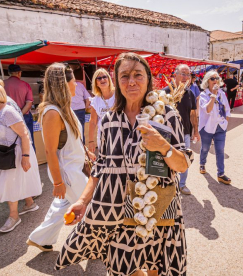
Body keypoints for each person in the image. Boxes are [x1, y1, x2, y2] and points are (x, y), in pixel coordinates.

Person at [55, 53, 194, 276]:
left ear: (148, 78)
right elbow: (100, 166)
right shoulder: (110, 119)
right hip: (117, 209)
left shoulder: (167, 115)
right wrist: (82, 201)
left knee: (155, 267)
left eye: (138, 75)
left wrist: (163, 146)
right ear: (117, 82)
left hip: (157, 204)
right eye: (124, 76)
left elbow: (182, 165)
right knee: (125, 268)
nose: (131, 81)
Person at [26, 63, 95, 252]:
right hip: (68, 174)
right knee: (90, 208)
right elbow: (50, 151)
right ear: (64, 84)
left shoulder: (64, 108)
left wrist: (86, 152)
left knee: (61, 206)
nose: (77, 86)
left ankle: (40, 238)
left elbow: (71, 139)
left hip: (74, 168)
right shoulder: (52, 113)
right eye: (74, 82)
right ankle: (92, 245)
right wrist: (58, 182)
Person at [0, 82, 42, 232]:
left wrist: (25, 157)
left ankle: (14, 216)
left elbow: (24, 135)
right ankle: (30, 203)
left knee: (10, 184)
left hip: (15, 153)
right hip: (2, 154)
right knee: (17, 180)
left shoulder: (7, 112)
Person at [163, 64, 199, 195]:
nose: (185, 77)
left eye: (188, 75)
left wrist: (196, 130)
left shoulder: (190, 93)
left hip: (185, 134)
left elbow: (192, 114)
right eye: (183, 74)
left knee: (184, 160)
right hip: (168, 134)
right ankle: (169, 183)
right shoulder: (165, 92)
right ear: (175, 74)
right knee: (167, 159)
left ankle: (182, 184)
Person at [198, 70, 232, 185]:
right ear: (208, 81)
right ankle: (202, 163)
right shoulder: (203, 95)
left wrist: (225, 123)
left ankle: (221, 174)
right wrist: (213, 95)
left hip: (220, 127)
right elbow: (208, 110)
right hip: (207, 127)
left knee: (220, 150)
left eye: (217, 78)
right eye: (212, 78)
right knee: (205, 148)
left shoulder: (222, 93)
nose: (215, 80)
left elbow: (227, 109)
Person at [4, 64, 35, 150]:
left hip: (7, 117)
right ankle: (31, 161)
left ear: (9, 73)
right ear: (19, 73)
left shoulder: (2, 84)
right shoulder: (25, 85)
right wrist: (19, 114)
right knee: (28, 139)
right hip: (24, 116)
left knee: (10, 141)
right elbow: (29, 103)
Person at [88, 68, 115, 153]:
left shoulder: (118, 95)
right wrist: (91, 141)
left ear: (109, 79)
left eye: (104, 77)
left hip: (119, 134)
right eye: (99, 78)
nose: (102, 79)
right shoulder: (96, 100)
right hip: (103, 137)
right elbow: (93, 121)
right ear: (96, 83)